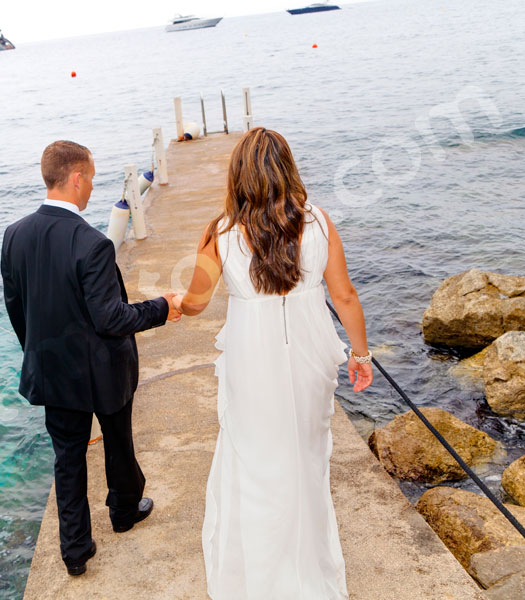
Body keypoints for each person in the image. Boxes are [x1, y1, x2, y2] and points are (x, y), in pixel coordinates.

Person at [172, 128, 373, 599]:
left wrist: (175, 300)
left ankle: (261, 578)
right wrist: (361, 354)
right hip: (311, 352)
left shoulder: (220, 231)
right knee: (306, 458)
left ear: (238, 174)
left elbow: (198, 302)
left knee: (258, 460)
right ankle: (307, 571)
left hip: (251, 356)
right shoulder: (319, 222)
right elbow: (343, 295)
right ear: (288, 167)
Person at [0, 140, 181, 576]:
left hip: (53, 372)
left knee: (67, 459)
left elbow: (15, 306)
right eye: (92, 178)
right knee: (118, 443)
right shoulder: (92, 243)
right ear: (76, 177)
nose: (93, 187)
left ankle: (76, 550)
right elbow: (111, 318)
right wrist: (162, 306)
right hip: (103, 371)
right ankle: (123, 512)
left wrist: (40, 354)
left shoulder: (15, 234)